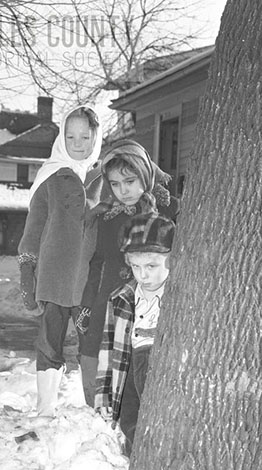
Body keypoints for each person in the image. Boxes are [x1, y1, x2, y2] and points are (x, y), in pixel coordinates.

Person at [76, 139, 179, 407]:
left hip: (153, 308)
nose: (123, 190)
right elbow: (95, 264)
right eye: (115, 184)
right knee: (100, 371)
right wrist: (86, 306)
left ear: (144, 174)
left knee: (143, 381)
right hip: (109, 307)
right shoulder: (107, 218)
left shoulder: (171, 210)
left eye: (130, 181)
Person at [17, 103, 102, 417]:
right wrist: (28, 266)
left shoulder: (103, 178)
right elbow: (34, 228)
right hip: (54, 277)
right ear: (61, 138)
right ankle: (45, 408)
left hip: (89, 280)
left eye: (85, 137)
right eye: (71, 137)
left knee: (91, 343)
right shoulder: (51, 177)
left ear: (96, 137)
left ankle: (97, 407)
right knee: (50, 342)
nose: (78, 144)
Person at [95, 213, 175, 456]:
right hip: (127, 370)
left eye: (151, 266)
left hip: (161, 369)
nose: (143, 275)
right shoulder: (121, 298)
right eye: (135, 266)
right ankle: (135, 461)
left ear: (171, 259)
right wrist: (104, 392)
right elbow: (108, 347)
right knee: (130, 421)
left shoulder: (178, 295)